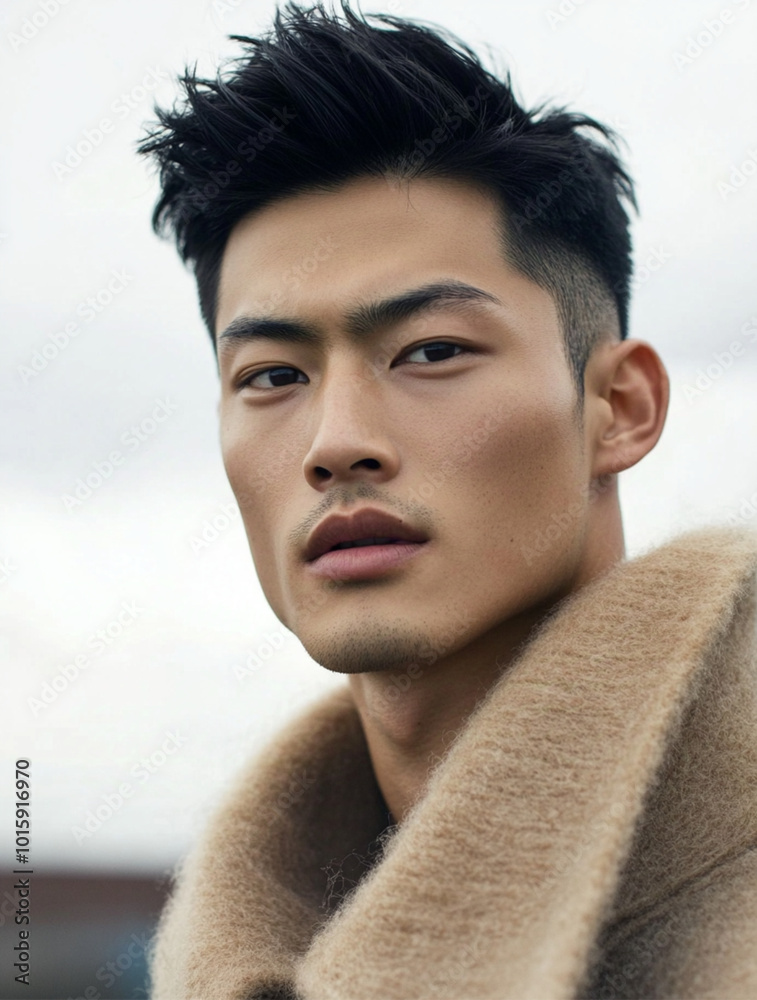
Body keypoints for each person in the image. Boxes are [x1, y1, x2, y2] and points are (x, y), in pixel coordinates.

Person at [137, 3, 757, 997]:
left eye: (431, 351)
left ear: (620, 407)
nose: (336, 441)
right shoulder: (236, 949)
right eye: (270, 376)